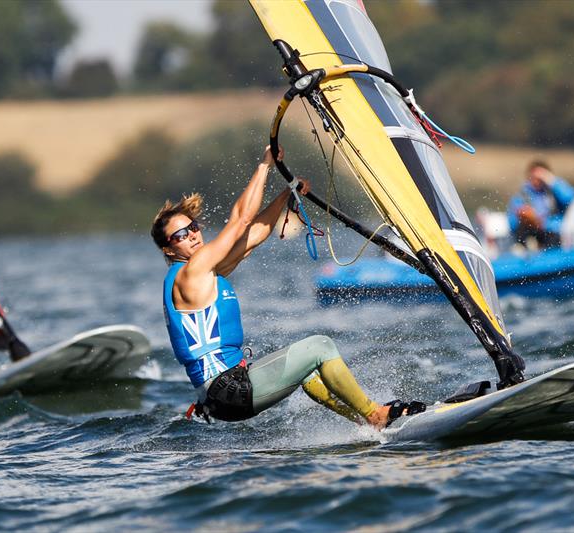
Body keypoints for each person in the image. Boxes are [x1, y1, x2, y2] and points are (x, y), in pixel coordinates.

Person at [150, 145, 424, 428]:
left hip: (220, 395)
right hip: (228, 389)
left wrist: (286, 194)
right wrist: (265, 164)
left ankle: (365, 422)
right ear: (169, 250)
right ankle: (374, 414)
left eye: (193, 227)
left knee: (307, 369)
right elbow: (241, 219)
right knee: (321, 346)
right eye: (181, 235)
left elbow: (253, 234)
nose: (193, 235)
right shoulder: (192, 272)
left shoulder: (204, 271)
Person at [507, 160, 574, 249]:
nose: (536, 180)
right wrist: (524, 218)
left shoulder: (555, 191)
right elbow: (512, 223)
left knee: (552, 235)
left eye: (540, 177)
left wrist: (552, 181)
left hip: (552, 233)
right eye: (533, 177)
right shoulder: (522, 195)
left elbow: (572, 199)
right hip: (530, 233)